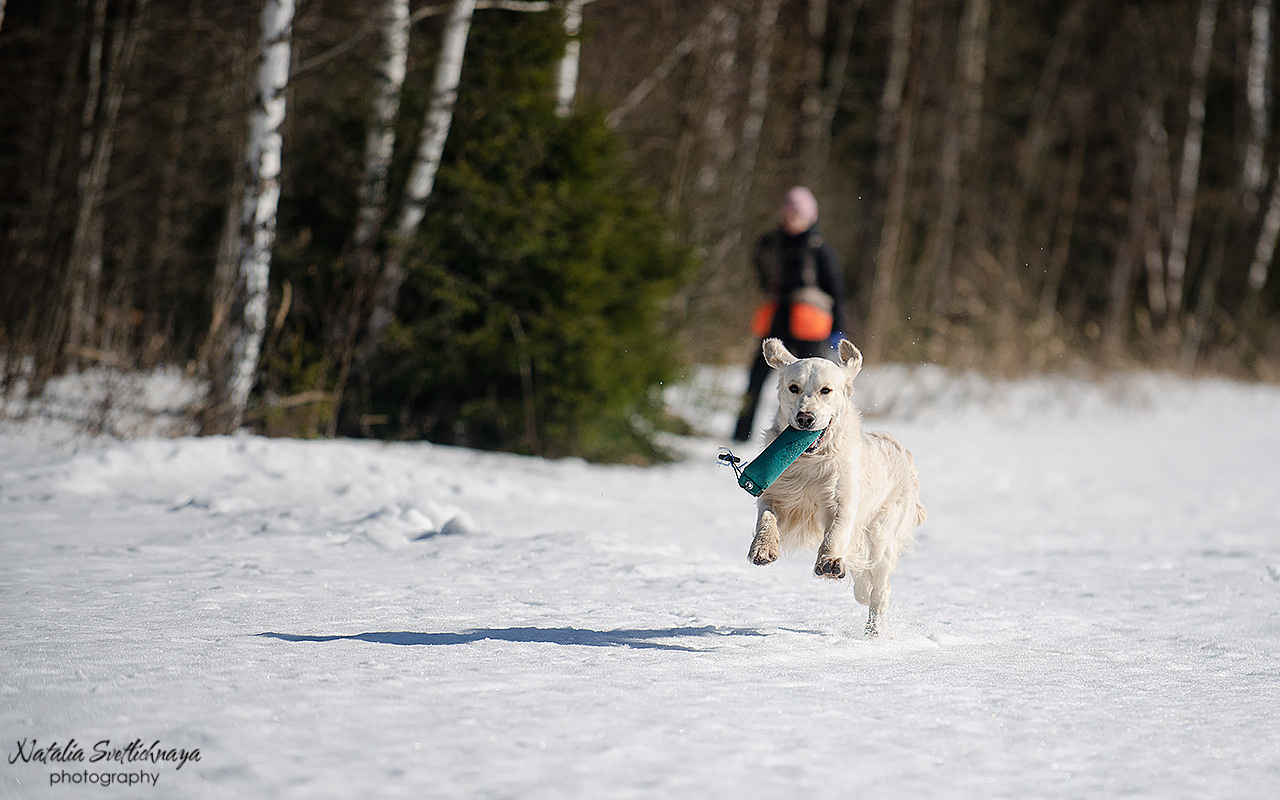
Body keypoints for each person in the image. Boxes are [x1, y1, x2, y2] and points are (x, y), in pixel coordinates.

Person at [733, 186, 846, 442]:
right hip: (777, 323)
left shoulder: (820, 251)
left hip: (811, 329)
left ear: (810, 217)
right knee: (755, 380)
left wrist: (838, 329)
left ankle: (814, 437)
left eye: (797, 214)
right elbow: (761, 271)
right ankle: (740, 435)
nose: (790, 219)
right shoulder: (772, 245)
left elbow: (837, 293)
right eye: (787, 214)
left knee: (814, 388)